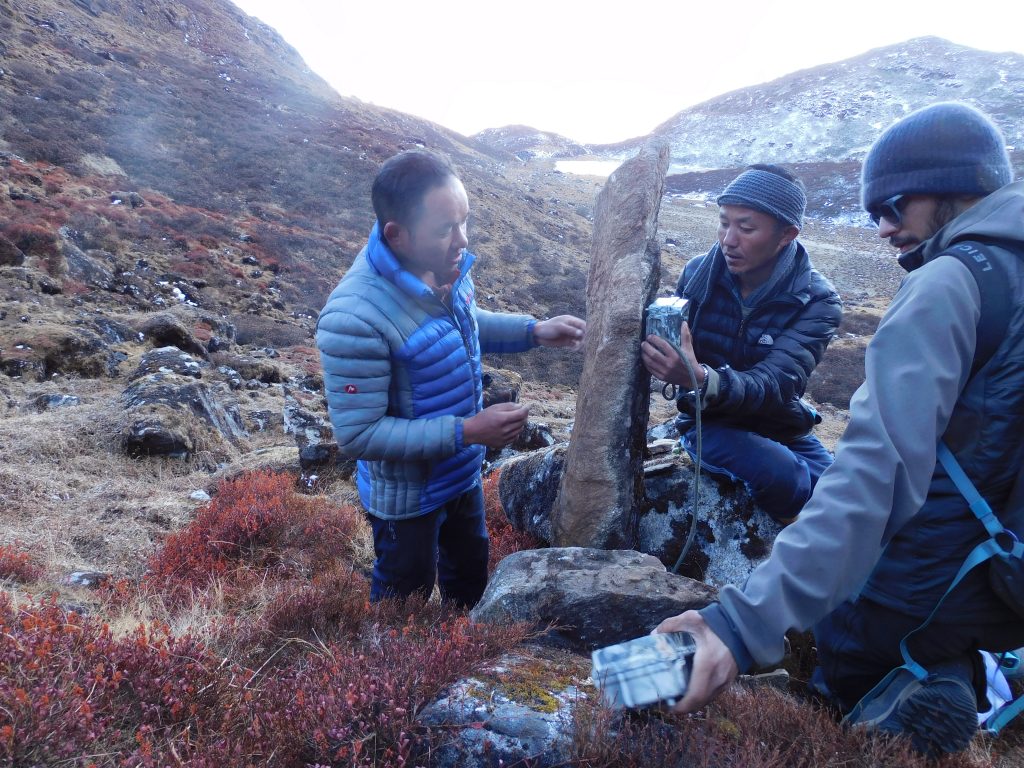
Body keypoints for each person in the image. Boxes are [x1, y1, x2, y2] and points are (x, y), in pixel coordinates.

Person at [655, 102, 1024, 756]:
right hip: (1003, 570)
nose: (883, 228)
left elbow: (869, 482)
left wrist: (740, 626)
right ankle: (971, 672)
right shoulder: (700, 276)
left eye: (894, 206)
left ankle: (921, 690)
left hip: (921, 579)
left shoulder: (948, 285)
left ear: (954, 185)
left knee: (844, 649)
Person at [316, 150, 585, 608]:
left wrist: (533, 331)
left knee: (470, 576)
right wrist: (467, 431)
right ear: (396, 236)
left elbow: (461, 324)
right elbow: (359, 435)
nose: (462, 240)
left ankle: (466, 660)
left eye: (465, 222)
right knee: (405, 597)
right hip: (406, 500)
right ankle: (397, 674)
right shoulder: (354, 317)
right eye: (445, 229)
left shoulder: (446, 269)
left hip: (459, 473)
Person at [641, 164, 842, 525]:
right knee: (786, 478)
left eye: (746, 227)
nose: (728, 239)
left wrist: (700, 378)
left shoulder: (817, 300)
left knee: (845, 497)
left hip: (779, 422)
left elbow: (779, 384)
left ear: (786, 234)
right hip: (709, 424)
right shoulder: (698, 274)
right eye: (724, 222)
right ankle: (776, 550)